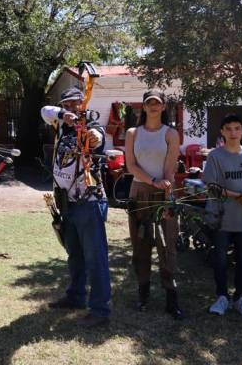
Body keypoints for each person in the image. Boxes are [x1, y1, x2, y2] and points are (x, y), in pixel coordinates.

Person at [40, 86, 111, 327]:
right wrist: (64, 115)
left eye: (76, 103)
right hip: (66, 202)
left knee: (95, 257)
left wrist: (94, 137)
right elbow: (45, 111)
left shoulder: (92, 126)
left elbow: (98, 138)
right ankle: (76, 296)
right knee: (75, 255)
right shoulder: (61, 125)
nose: (71, 107)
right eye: (67, 104)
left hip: (88, 202)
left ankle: (100, 310)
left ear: (84, 104)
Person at [124, 90, 184, 319]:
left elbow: (170, 167)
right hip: (139, 191)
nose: (153, 106)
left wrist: (166, 191)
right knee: (141, 243)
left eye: (157, 103)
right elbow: (131, 165)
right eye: (149, 103)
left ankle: (171, 299)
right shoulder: (133, 133)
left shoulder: (170, 133)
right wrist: (152, 181)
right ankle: (143, 294)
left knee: (167, 244)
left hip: (164, 191)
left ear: (163, 107)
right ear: (143, 107)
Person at [203, 114, 242, 318]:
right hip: (221, 217)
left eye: (237, 128)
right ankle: (221, 297)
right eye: (228, 129)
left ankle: (240, 298)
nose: (233, 132)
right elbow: (212, 187)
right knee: (220, 258)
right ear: (222, 132)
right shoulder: (215, 156)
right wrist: (239, 196)